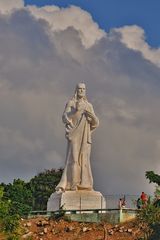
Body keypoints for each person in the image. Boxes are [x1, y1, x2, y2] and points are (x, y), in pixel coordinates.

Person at [56, 83, 99, 192]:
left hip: (85, 136)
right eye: (79, 89)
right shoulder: (71, 103)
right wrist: (71, 115)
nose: (81, 90)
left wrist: (91, 116)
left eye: (83, 89)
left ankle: (84, 184)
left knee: (84, 160)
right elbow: (64, 116)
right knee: (74, 159)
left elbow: (96, 123)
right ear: (76, 90)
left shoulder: (89, 106)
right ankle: (73, 185)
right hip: (74, 134)